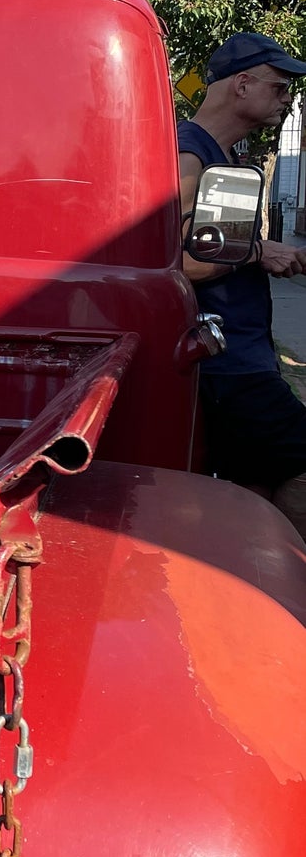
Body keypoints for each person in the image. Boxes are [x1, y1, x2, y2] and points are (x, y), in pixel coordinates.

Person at [178, 33, 306, 540]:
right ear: (243, 83)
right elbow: (180, 263)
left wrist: (273, 255)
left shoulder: (224, 159)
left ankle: (254, 580)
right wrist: (258, 252)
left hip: (245, 358)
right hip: (228, 367)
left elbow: (217, 248)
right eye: (280, 86)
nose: (287, 98)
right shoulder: (189, 155)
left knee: (253, 488)